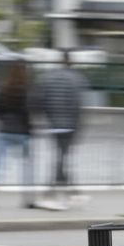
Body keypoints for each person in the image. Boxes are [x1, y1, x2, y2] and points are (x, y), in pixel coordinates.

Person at [31, 49, 89, 211]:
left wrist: (46, 117)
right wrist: (78, 125)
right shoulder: (77, 79)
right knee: (62, 158)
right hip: (69, 125)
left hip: (54, 124)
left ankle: (71, 192)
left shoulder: (48, 77)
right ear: (71, 62)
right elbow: (78, 104)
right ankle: (52, 193)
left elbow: (40, 99)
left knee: (61, 157)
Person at [0, 60, 35, 209]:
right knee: (27, 166)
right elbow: (29, 111)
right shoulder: (27, 89)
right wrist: (29, 126)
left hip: (4, 131)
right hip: (23, 133)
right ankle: (27, 198)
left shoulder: (2, 88)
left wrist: (2, 120)